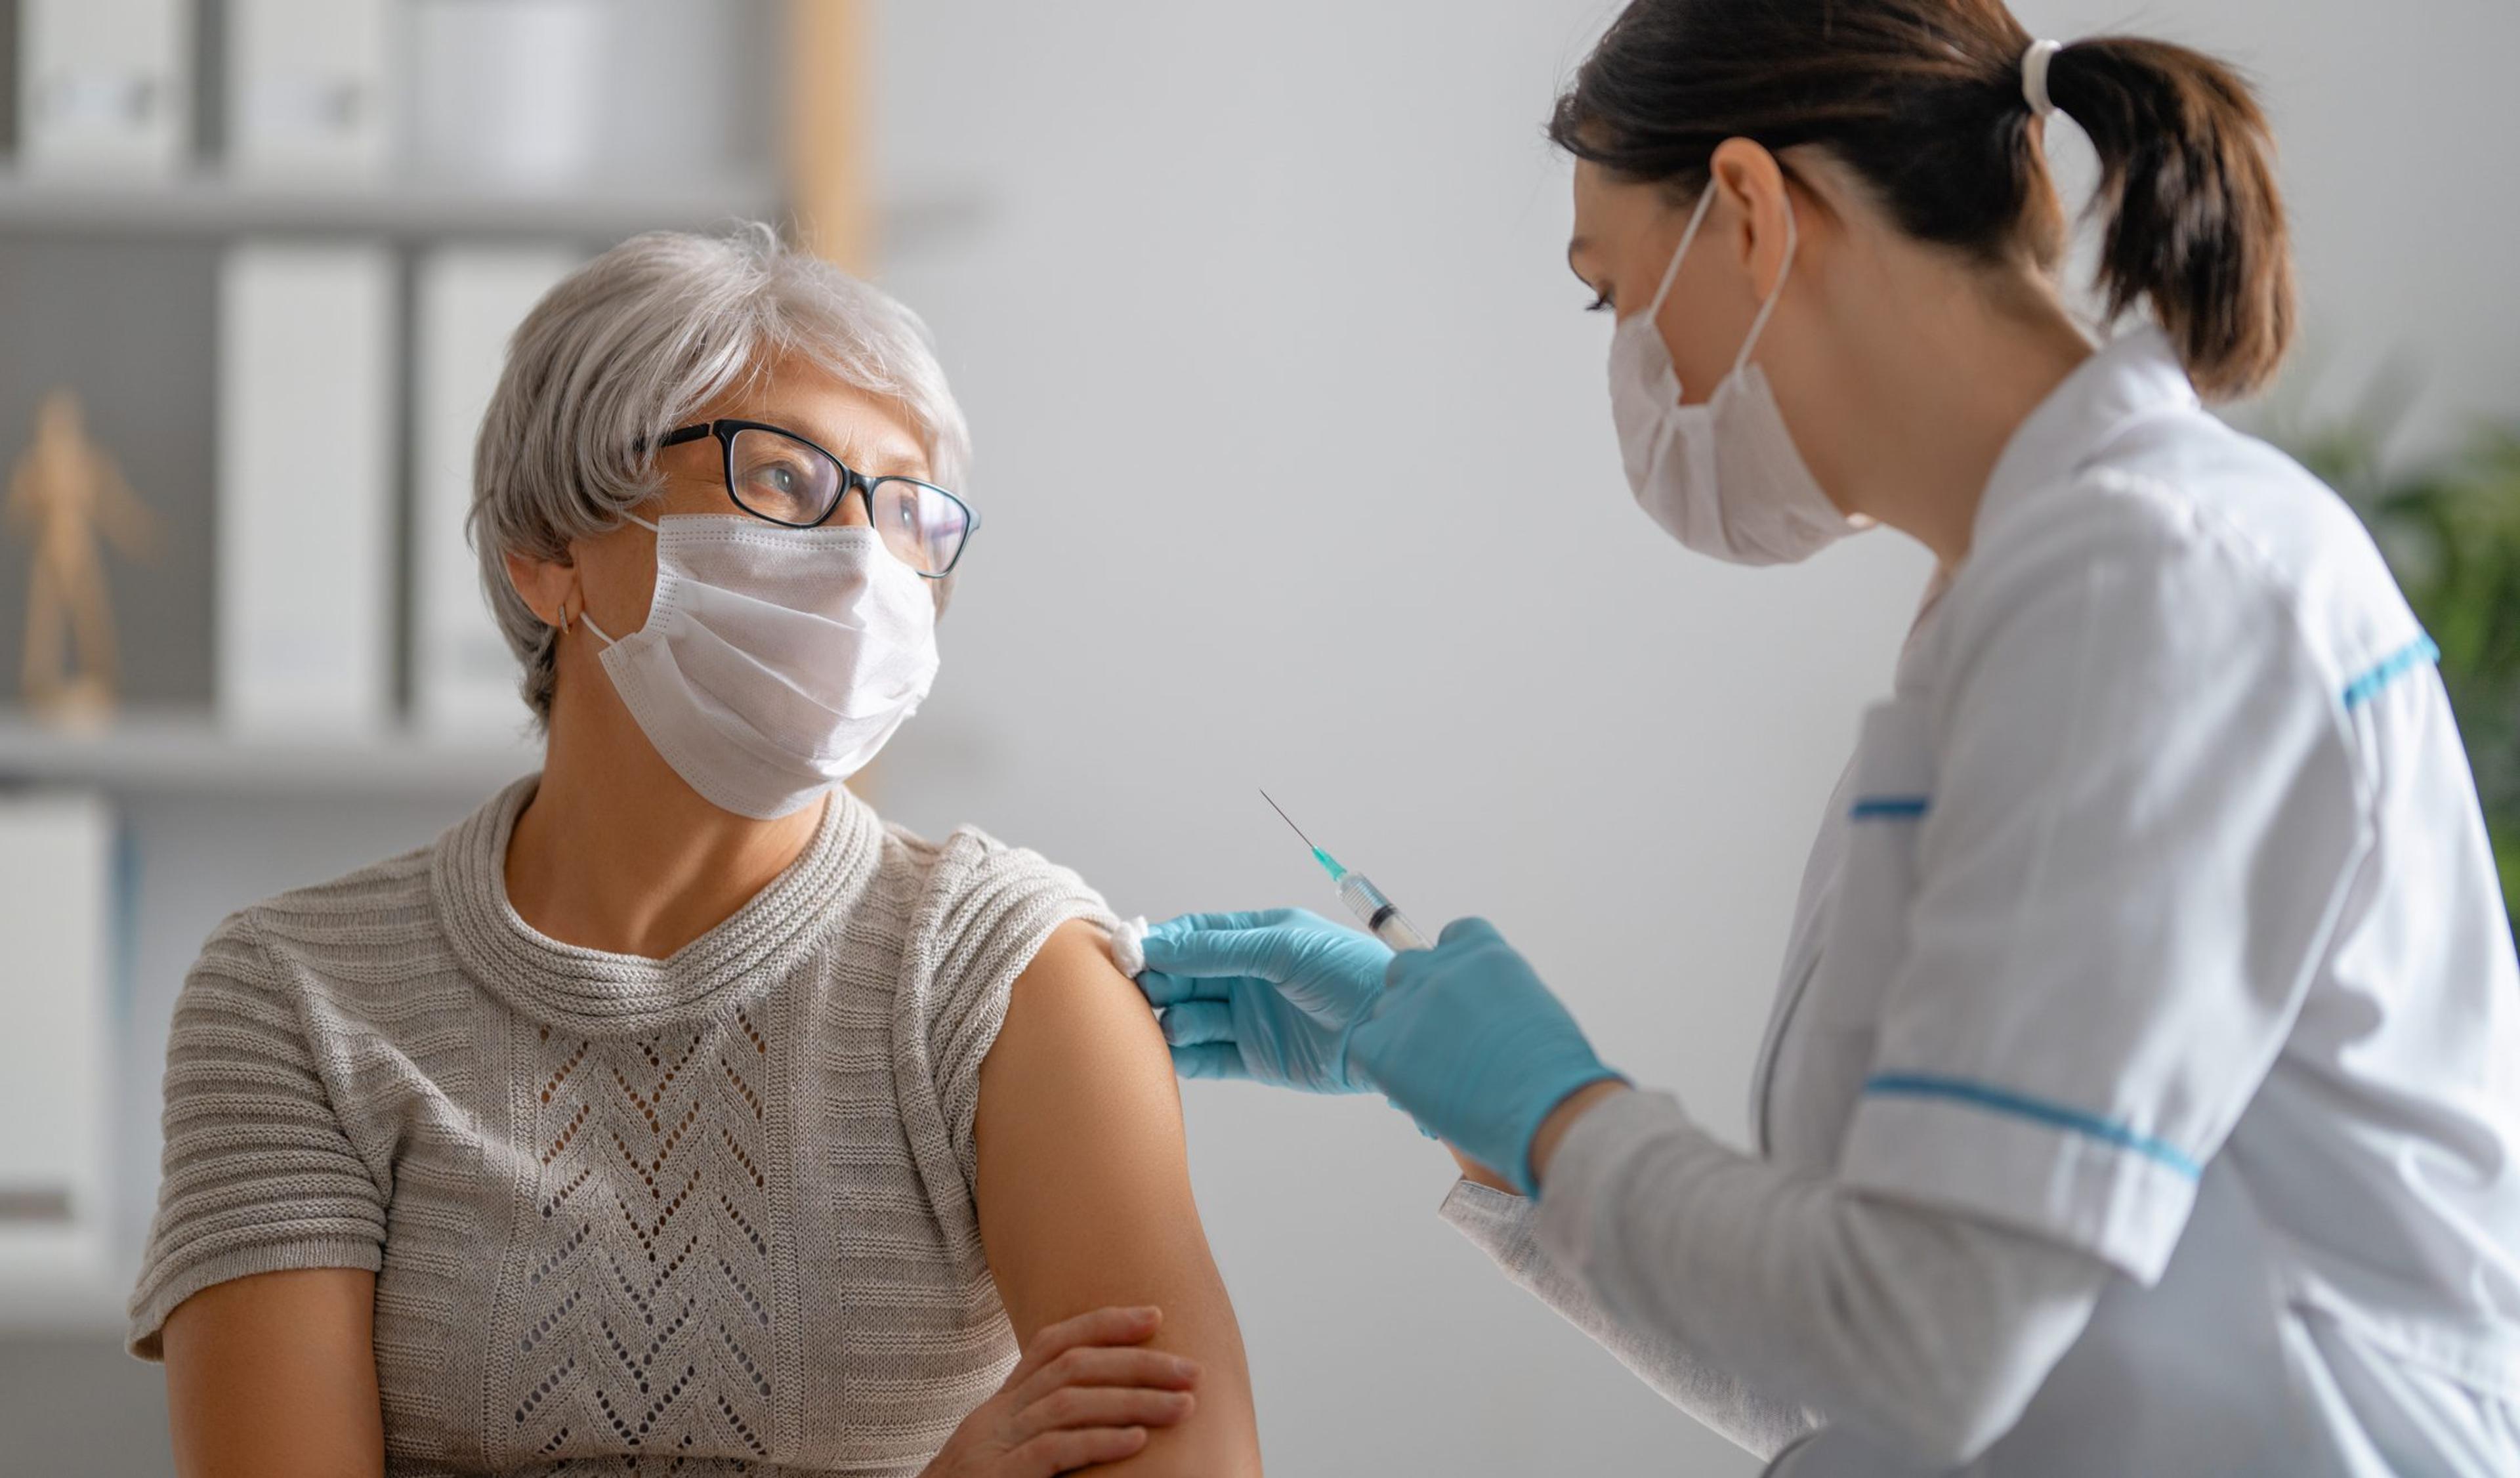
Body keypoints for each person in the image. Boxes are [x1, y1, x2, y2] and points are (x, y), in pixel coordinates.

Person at [1135, 2, 2520, 1473]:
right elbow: (1852, 1363)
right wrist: (1483, 1116)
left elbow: (1929, 1347)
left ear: (1747, 210)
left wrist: (1556, 1113)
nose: (1629, 359)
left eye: (1612, 296)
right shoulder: (2013, 619)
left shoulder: (2154, 584)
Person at [127, 227, 1262, 1478]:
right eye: (785, 479)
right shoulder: (297, 998)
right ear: (550, 555)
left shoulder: (1003, 974)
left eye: (907, 511)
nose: (862, 562)